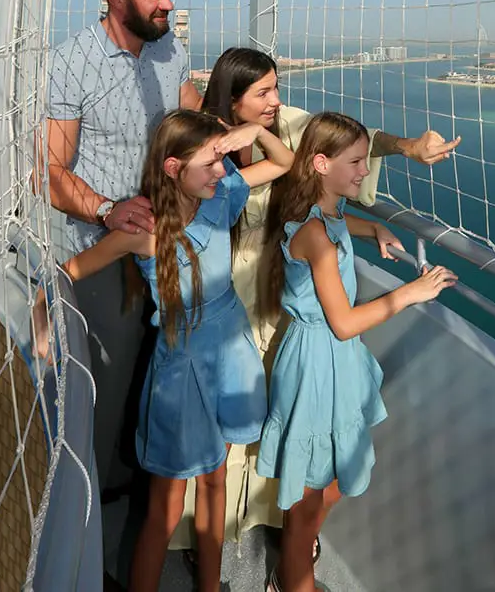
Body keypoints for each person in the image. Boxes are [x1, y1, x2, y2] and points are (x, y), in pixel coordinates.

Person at [175, 47, 460, 558]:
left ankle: (284, 534)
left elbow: (348, 143)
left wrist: (409, 148)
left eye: (276, 87)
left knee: (275, 424)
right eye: (263, 92)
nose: (276, 100)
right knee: (231, 426)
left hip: (281, 293)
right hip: (227, 295)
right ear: (231, 97)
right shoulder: (205, 144)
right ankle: (210, 537)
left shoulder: (282, 126)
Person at [36, 109, 295, 592]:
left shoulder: (219, 196)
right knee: (166, 507)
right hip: (183, 374)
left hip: (230, 357)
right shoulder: (144, 230)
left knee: (218, 481)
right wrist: (40, 320)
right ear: (173, 168)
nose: (224, 171)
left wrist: (254, 132)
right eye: (211, 162)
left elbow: (283, 163)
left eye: (222, 161)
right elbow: (67, 270)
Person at [257, 111, 456, 592]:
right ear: (321, 163)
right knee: (308, 498)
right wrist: (411, 293)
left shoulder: (323, 212)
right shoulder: (317, 237)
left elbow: (338, 224)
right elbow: (344, 323)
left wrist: (373, 230)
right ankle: (292, 578)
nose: (365, 171)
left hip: (332, 365)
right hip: (318, 367)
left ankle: (297, 555)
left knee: (330, 482)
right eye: (357, 162)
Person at [46, 0, 202, 509]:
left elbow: (194, 122)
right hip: (104, 247)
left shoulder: (168, 50)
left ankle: (133, 479)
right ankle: (88, 507)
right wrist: (109, 210)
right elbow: (50, 172)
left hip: (165, 241)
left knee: (151, 361)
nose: (168, 4)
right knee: (105, 382)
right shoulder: (70, 62)